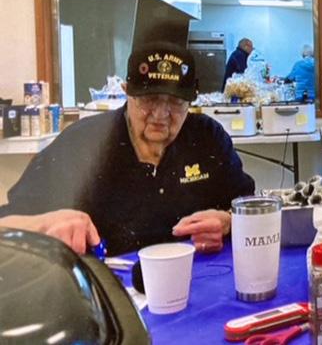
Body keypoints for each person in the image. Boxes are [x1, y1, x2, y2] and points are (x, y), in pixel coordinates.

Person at [0, 41, 255, 255]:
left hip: (197, 279)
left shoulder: (207, 137)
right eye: (149, 99)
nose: (160, 114)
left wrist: (229, 221)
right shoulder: (83, 143)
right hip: (107, 286)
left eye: (175, 102)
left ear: (190, 102)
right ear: (127, 93)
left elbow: (252, 209)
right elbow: (6, 224)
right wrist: (45, 224)